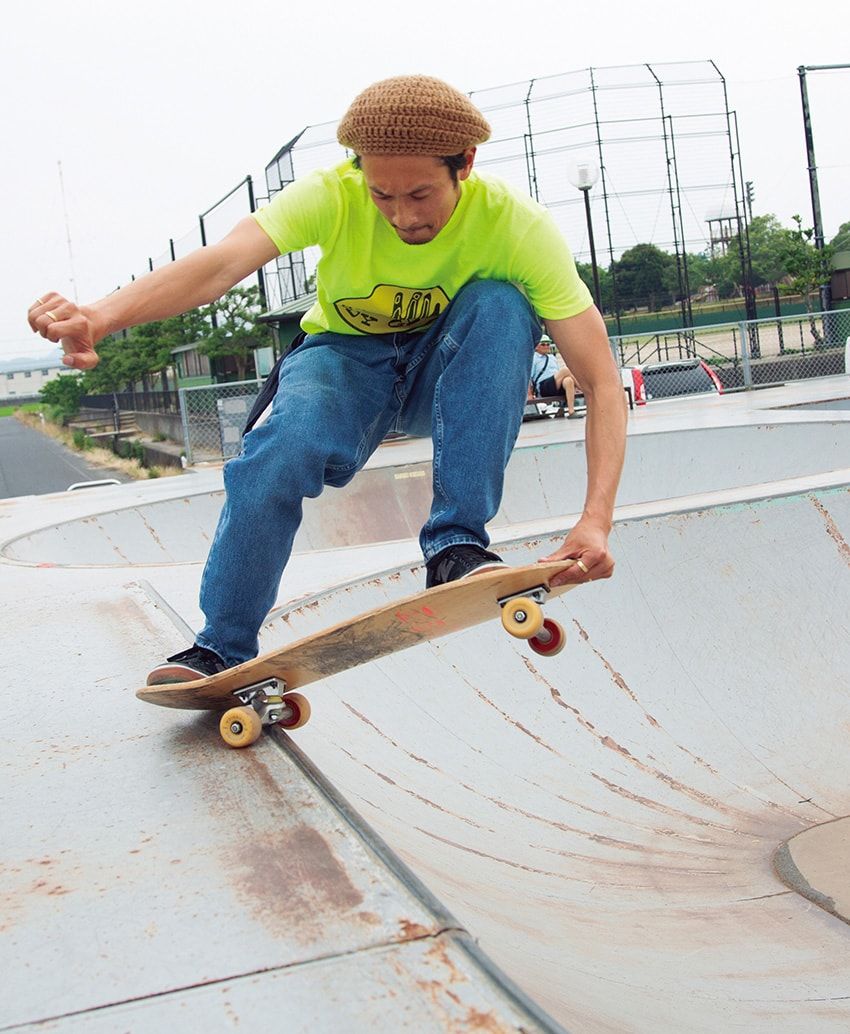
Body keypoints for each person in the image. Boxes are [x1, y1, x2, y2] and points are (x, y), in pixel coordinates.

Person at [28, 75, 627, 683]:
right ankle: (220, 646)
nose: (402, 216)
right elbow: (221, 263)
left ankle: (455, 545)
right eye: (382, 195)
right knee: (276, 454)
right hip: (342, 361)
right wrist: (101, 315)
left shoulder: (517, 227)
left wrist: (595, 518)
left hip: (443, 374)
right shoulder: (332, 195)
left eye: (421, 194)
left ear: (465, 164)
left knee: (502, 305)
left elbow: (602, 381)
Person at [529, 338, 584, 418]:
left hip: (555, 383)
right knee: (565, 370)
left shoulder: (552, 358)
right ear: (536, 347)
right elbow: (529, 378)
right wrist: (530, 394)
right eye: (543, 344)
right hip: (543, 386)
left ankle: (571, 411)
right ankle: (584, 389)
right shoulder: (533, 358)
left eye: (548, 344)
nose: (546, 346)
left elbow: (558, 373)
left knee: (568, 380)